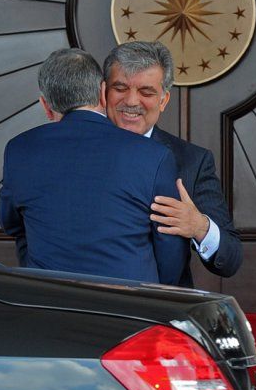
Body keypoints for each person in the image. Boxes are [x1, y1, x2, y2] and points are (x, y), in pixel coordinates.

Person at [0, 48, 188, 285]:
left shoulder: (19, 149)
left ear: (46, 106)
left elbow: (12, 225)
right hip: (132, 310)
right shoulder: (154, 155)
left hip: (48, 304)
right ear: (102, 93)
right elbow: (170, 247)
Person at [101, 40, 243, 288]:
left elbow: (230, 258)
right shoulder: (73, 151)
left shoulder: (191, 161)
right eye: (120, 88)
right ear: (103, 92)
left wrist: (199, 226)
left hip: (160, 312)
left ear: (164, 100)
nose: (132, 101)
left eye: (146, 92)